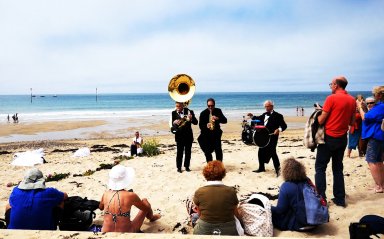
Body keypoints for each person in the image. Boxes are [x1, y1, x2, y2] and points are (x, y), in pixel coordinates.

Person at [315, 76, 356, 207]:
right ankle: (340, 198)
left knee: (320, 168)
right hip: (342, 138)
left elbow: (321, 120)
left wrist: (318, 113)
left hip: (328, 137)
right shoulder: (352, 100)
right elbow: (352, 122)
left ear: (336, 85)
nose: (330, 86)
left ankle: (321, 198)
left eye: (331, 84)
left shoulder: (331, 98)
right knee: (338, 168)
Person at [99, 165, 161, 232]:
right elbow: (145, 208)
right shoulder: (130, 195)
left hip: (105, 232)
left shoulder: (105, 194)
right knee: (145, 202)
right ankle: (151, 218)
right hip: (126, 232)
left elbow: (100, 207)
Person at [193, 161, 239, 235]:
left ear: (205, 174)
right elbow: (235, 213)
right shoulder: (231, 191)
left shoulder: (199, 192)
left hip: (204, 230)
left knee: (194, 217)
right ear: (223, 174)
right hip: (229, 231)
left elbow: (200, 214)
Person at [272, 157, 315, 231]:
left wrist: (268, 207)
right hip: (315, 220)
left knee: (273, 214)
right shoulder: (307, 180)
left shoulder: (286, 186)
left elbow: (280, 210)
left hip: (300, 224)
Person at [357, 86, 384, 193]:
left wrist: (359, 107)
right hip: (380, 136)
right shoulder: (380, 106)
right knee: (379, 161)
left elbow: (365, 117)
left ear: (380, 95)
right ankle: (381, 185)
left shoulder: (380, 106)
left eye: (374, 95)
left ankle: (379, 186)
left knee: (371, 161)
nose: (374, 97)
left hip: (375, 136)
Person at [252, 100, 287, 177]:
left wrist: (279, 130)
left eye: (268, 106)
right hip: (263, 137)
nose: (267, 108)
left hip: (272, 137)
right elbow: (258, 119)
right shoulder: (264, 114)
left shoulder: (278, 116)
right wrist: (252, 116)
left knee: (273, 152)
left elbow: (284, 126)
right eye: (266, 106)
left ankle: (278, 170)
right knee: (260, 151)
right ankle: (261, 168)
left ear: (272, 106)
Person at [171, 101, 198, 173]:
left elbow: (196, 122)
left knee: (188, 152)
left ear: (183, 106)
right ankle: (179, 167)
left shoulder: (189, 111)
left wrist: (191, 118)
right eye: (176, 106)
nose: (177, 108)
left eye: (179, 106)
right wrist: (174, 123)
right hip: (179, 136)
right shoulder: (173, 113)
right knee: (179, 152)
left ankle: (187, 166)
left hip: (188, 136)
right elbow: (172, 125)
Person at [198, 98, 227, 162]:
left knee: (218, 150)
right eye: (209, 106)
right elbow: (200, 126)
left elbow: (225, 120)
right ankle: (210, 166)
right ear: (207, 105)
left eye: (212, 105)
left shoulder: (218, 111)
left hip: (216, 134)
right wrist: (206, 125)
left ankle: (219, 165)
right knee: (207, 152)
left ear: (214, 105)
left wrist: (217, 118)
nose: (210, 107)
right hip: (206, 135)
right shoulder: (203, 113)